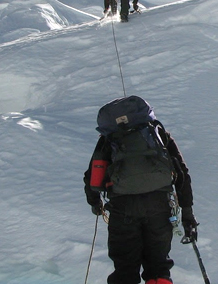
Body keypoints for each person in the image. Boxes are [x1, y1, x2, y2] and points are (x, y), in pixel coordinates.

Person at [84, 96, 197, 284]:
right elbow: (182, 174)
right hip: (160, 207)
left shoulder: (109, 139)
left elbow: (92, 176)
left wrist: (95, 202)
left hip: (123, 209)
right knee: (158, 267)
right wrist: (187, 214)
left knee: (125, 268)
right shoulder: (157, 133)